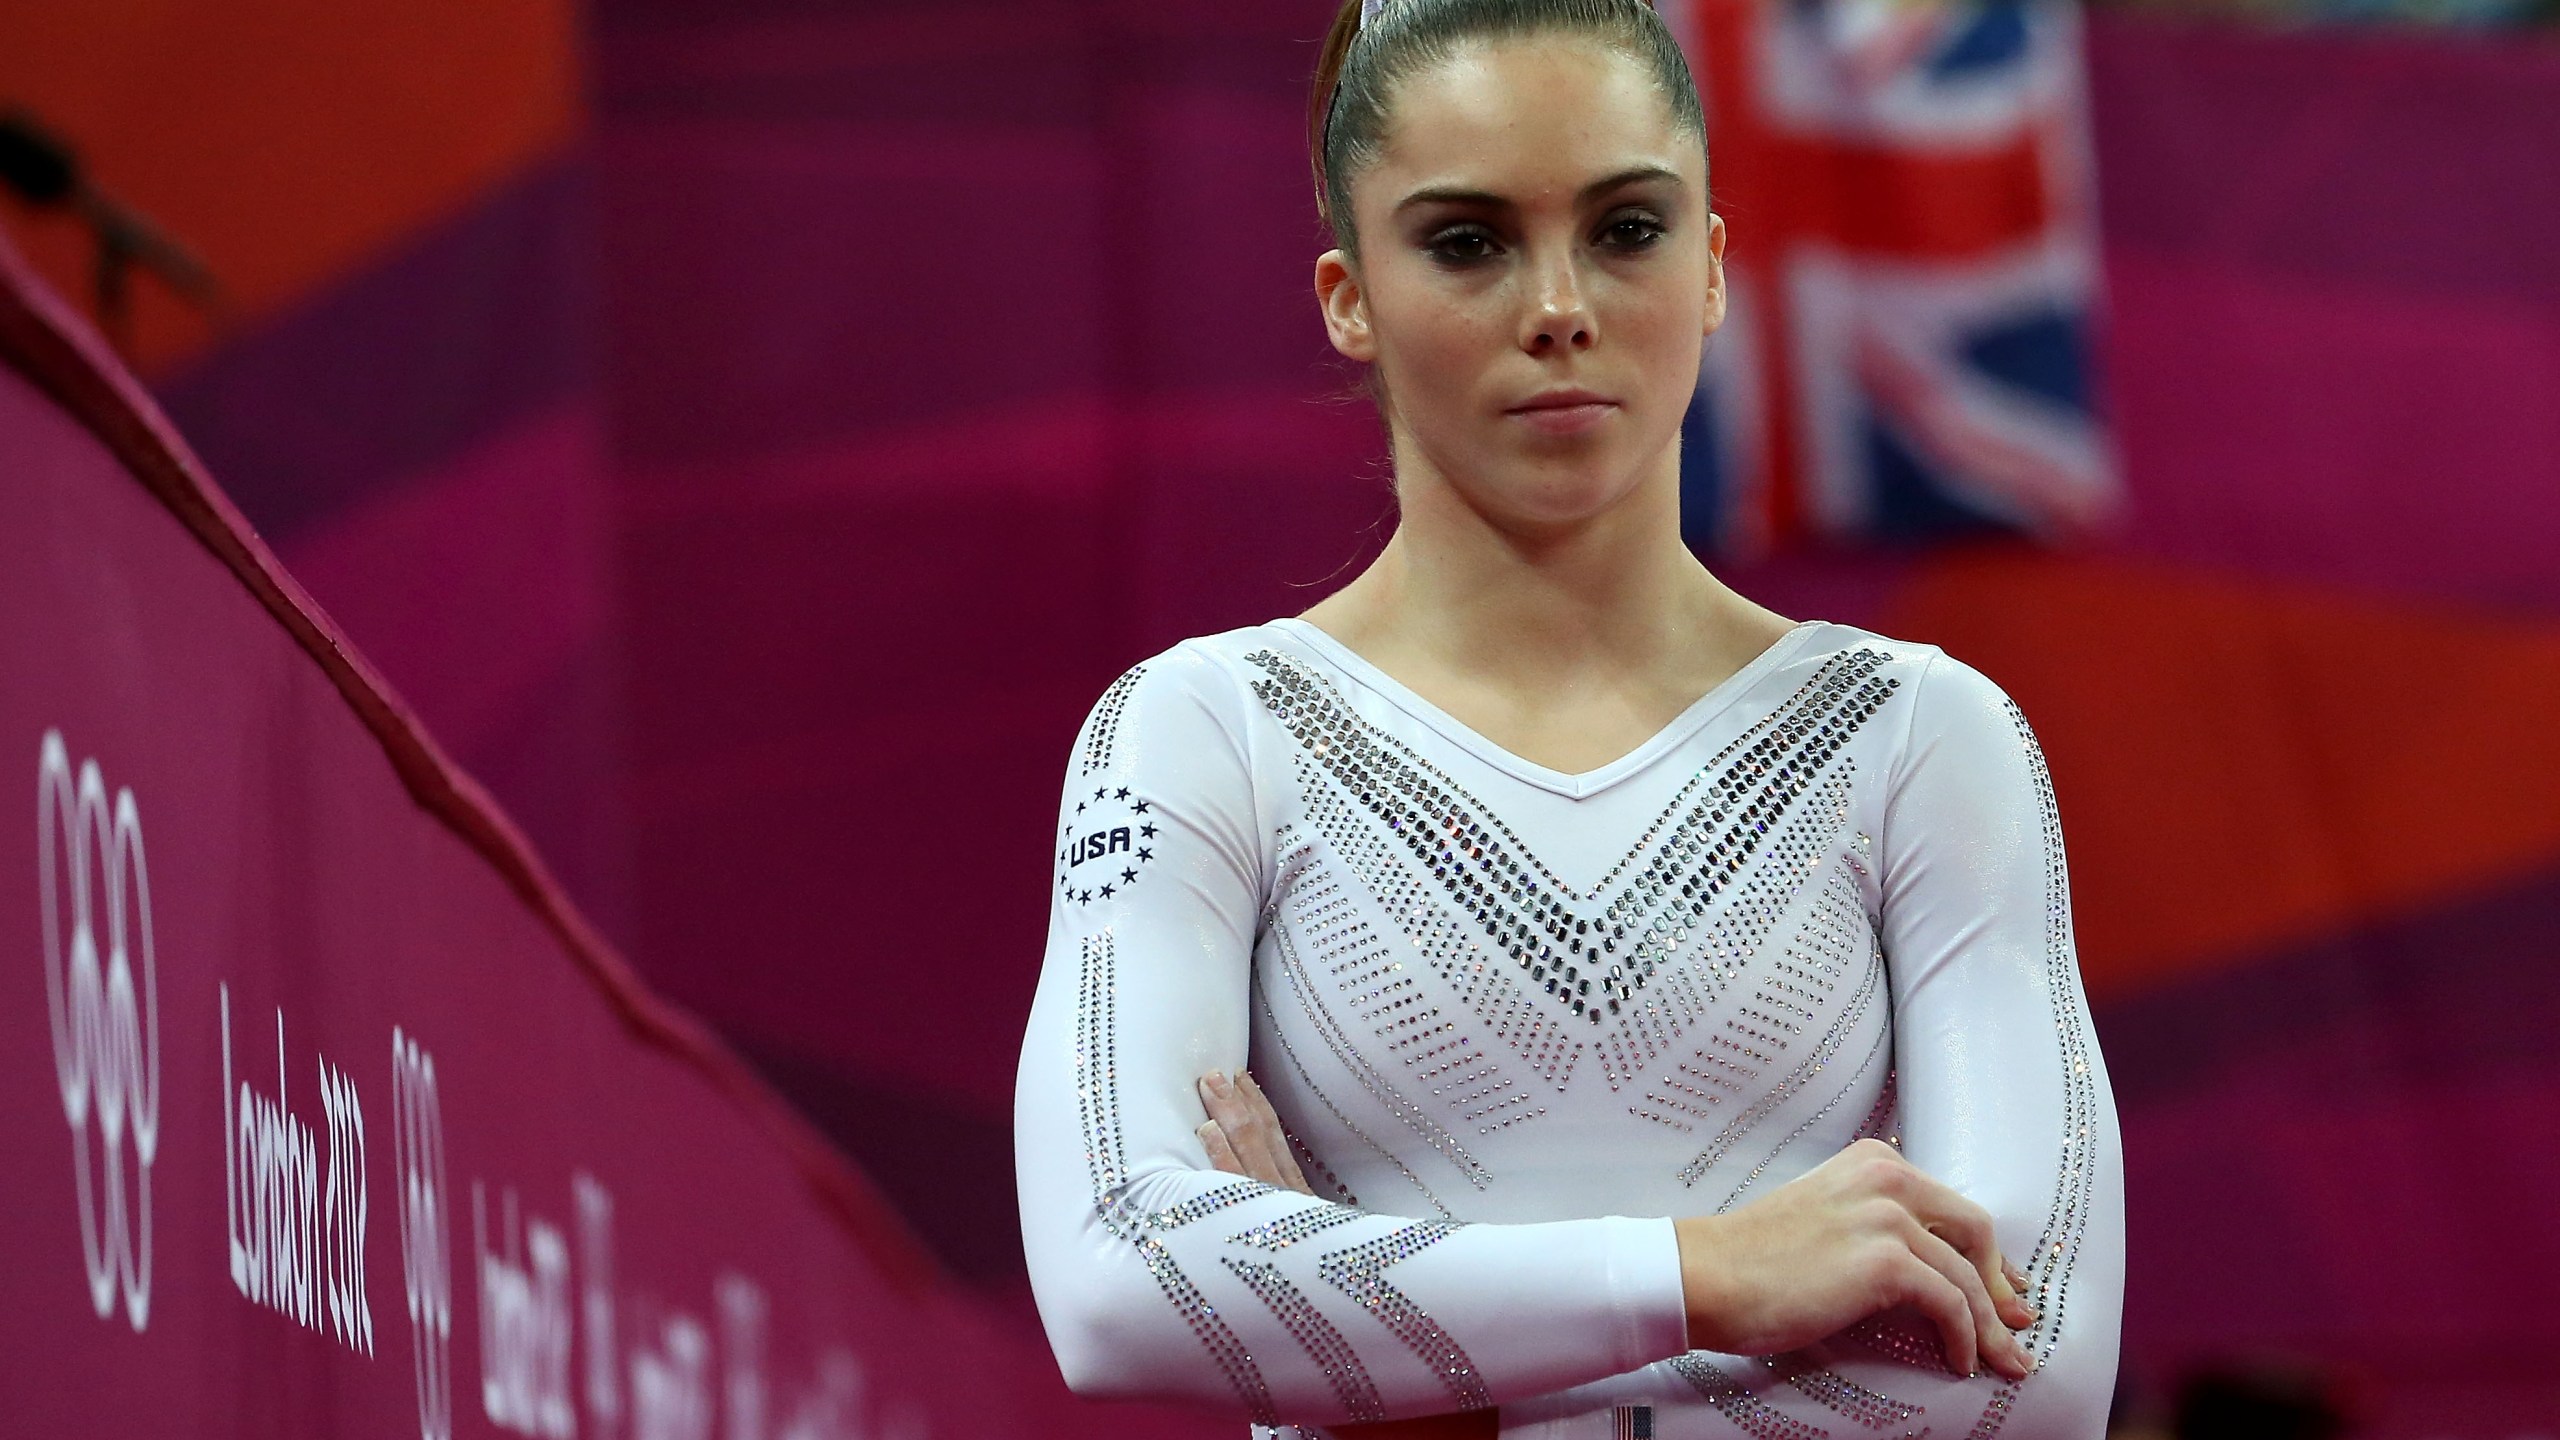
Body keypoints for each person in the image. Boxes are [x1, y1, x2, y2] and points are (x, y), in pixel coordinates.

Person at [1010, 0, 2126, 1435]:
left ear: (1715, 267)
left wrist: (1390, 1369)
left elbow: (2039, 1379)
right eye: (1468, 242)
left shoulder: (1919, 738)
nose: (1559, 305)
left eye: (1628, 229)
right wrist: (1712, 1275)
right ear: (1350, 295)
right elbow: (1114, 1282)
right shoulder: (1198, 732)